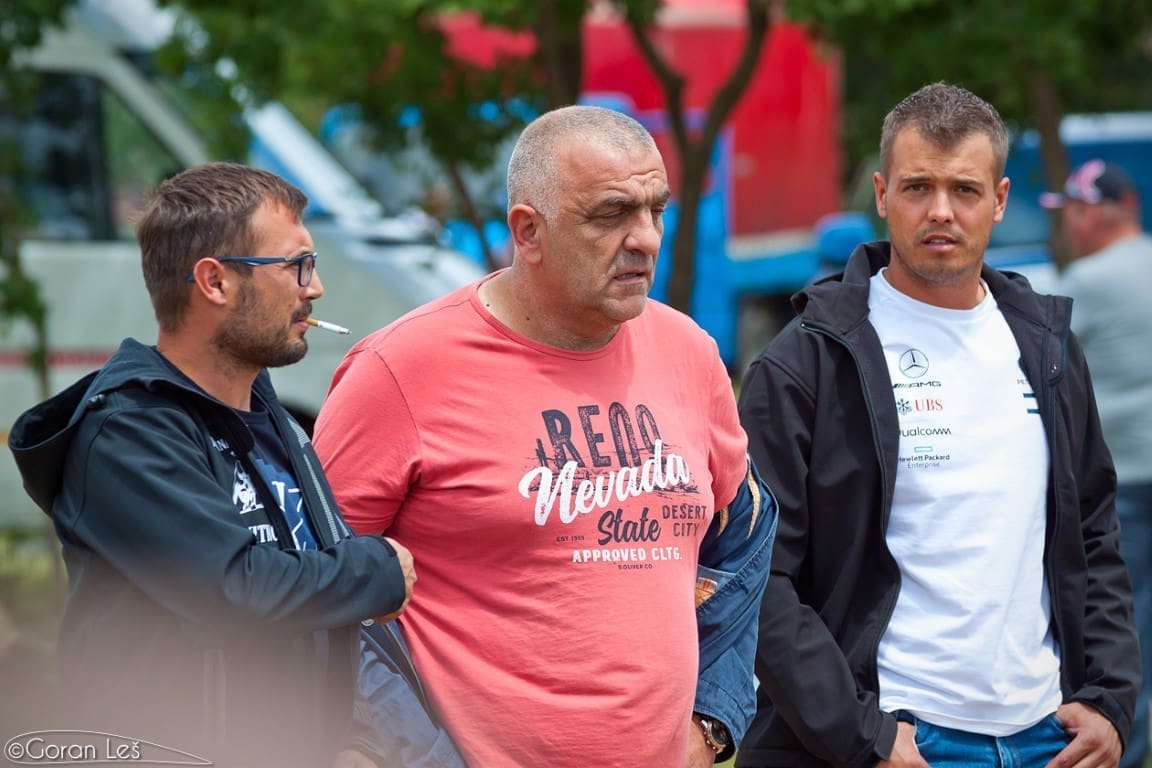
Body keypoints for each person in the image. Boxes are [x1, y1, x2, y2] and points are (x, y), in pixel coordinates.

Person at [313, 104, 778, 767]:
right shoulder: (400, 371)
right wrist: (411, 751)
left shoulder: (690, 353)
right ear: (528, 231)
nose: (646, 238)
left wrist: (711, 718)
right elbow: (313, 589)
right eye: (612, 214)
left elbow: (745, 534)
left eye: (656, 210)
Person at [736, 83, 1140, 768]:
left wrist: (1111, 700)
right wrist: (861, 736)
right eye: (918, 187)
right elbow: (757, 573)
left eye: (965, 190)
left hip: (1047, 737)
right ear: (882, 193)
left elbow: (1094, 535)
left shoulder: (1046, 345)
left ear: (1000, 199)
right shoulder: (808, 359)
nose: (941, 211)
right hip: (897, 741)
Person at [8, 162, 416, 768]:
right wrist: (373, 570)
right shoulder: (129, 432)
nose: (315, 289)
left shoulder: (269, 415)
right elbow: (233, 590)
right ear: (215, 281)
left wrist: (354, 739)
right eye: (297, 265)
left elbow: (308, 607)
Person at [1040, 158, 1152, 768]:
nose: (1067, 225)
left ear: (1096, 215)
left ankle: (1119, 750)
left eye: (1071, 212)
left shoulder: (1087, 280)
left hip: (1124, 479)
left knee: (1121, 626)